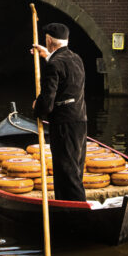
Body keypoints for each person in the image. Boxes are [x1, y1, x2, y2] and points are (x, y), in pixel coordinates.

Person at [32, 21, 87, 202]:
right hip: (80, 121)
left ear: (48, 40)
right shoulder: (77, 59)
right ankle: (70, 206)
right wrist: (47, 56)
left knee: (66, 172)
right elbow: (64, 73)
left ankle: (76, 212)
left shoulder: (54, 65)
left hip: (63, 124)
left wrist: (36, 108)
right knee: (75, 168)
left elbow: (47, 103)